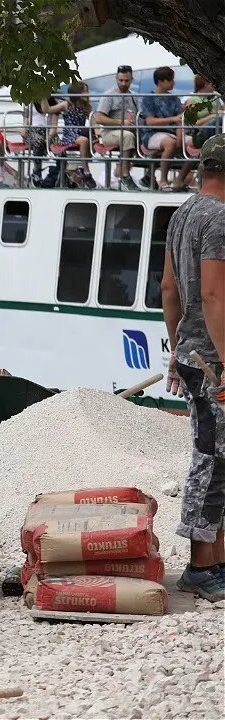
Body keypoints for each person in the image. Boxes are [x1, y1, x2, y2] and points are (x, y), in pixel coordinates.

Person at [161, 134, 225, 601]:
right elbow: (213, 294)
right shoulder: (220, 219)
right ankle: (201, 568)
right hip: (213, 360)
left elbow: (168, 288)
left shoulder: (182, 214)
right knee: (212, 459)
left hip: (191, 351)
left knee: (219, 455)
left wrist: (175, 344)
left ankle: (216, 559)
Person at [140, 66, 192, 191]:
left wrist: (180, 136)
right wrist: (172, 120)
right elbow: (150, 121)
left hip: (172, 134)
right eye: (170, 80)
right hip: (152, 134)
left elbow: (180, 120)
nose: (173, 82)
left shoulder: (174, 99)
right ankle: (163, 181)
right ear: (161, 81)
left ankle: (179, 180)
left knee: (195, 143)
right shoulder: (148, 98)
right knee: (170, 143)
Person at [93, 64, 140, 191]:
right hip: (109, 133)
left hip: (130, 131)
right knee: (128, 136)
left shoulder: (134, 96)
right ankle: (125, 175)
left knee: (145, 137)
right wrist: (121, 123)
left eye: (126, 80)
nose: (124, 83)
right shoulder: (108, 95)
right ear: (116, 79)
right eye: (121, 80)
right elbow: (98, 118)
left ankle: (148, 176)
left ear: (131, 80)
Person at [57, 82, 97, 189]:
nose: (87, 93)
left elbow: (93, 120)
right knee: (84, 140)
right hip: (70, 133)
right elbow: (49, 110)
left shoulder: (86, 106)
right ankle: (86, 171)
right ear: (77, 92)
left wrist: (98, 132)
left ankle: (79, 168)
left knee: (94, 141)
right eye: (85, 91)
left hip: (81, 132)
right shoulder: (67, 104)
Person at [28, 94, 66, 180]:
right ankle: (37, 170)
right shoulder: (30, 103)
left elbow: (53, 127)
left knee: (61, 151)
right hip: (35, 130)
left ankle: (60, 174)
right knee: (39, 141)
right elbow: (26, 121)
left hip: (50, 132)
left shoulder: (54, 105)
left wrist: (49, 138)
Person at [185, 74, 223, 150]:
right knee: (217, 121)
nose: (214, 85)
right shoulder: (192, 100)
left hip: (217, 129)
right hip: (199, 133)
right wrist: (211, 117)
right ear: (205, 84)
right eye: (211, 82)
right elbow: (191, 124)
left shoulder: (216, 97)